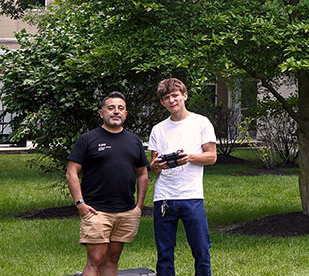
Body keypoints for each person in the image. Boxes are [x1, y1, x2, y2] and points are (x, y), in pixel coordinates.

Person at [66, 92, 149, 276]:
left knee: (112, 259)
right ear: (102, 113)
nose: (116, 112)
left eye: (120, 108)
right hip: (96, 210)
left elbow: (143, 174)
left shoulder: (134, 141)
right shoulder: (88, 139)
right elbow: (71, 172)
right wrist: (80, 204)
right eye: (111, 108)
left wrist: (139, 206)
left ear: (126, 114)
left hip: (126, 211)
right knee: (95, 260)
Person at [148, 78, 217, 276]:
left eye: (175, 95)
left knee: (201, 250)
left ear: (185, 95)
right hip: (164, 197)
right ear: (162, 102)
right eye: (166, 98)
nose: (172, 101)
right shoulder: (158, 129)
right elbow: (153, 166)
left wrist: (189, 157)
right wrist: (157, 165)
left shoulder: (201, 122)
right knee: (164, 253)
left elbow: (212, 156)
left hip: (191, 196)